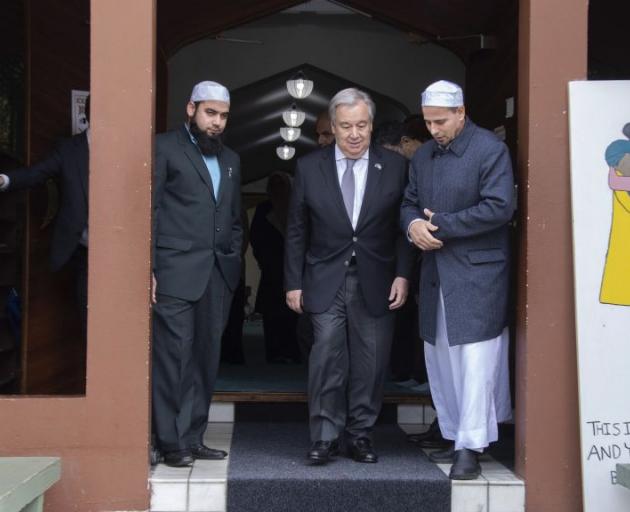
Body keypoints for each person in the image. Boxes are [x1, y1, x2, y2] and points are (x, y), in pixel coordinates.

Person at [285, 88, 414, 464]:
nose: (354, 134)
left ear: (371, 125)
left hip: (377, 278)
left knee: (371, 362)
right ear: (332, 128)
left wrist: (404, 275)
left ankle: (360, 435)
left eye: (361, 125)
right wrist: (293, 282)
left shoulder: (395, 167)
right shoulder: (310, 167)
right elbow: (296, 229)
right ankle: (324, 436)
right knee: (325, 356)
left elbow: (403, 226)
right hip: (323, 278)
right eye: (345, 127)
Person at [401, 80, 514, 480]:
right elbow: (409, 202)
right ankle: (453, 433)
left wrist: (443, 225)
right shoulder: (424, 157)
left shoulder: (489, 149)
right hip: (435, 272)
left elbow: (500, 207)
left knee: (476, 360)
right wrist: (413, 224)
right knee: (442, 356)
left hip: (479, 272)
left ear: (461, 113)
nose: (433, 130)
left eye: (440, 121)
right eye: (429, 122)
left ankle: (470, 444)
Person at [151, 81, 242, 468]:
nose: (217, 122)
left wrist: (233, 258)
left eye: (223, 116)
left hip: (217, 274)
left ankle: (193, 436)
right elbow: (151, 210)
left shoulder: (232, 159)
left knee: (206, 358)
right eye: (210, 113)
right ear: (191, 108)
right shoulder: (163, 147)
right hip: (174, 272)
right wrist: (150, 267)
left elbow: (234, 217)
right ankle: (171, 442)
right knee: (174, 358)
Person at [0, 95, 91, 335]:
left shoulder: (126, 150)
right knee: (89, 322)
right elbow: (36, 173)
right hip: (84, 253)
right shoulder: (69, 149)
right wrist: (5, 180)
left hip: (121, 254)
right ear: (90, 117)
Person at [251, 171, 300, 364]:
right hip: (271, 270)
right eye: (275, 186)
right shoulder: (264, 209)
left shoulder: (296, 208)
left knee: (293, 313)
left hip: (293, 271)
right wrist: (265, 260)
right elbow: (256, 237)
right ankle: (274, 354)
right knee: (272, 316)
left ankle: (293, 353)